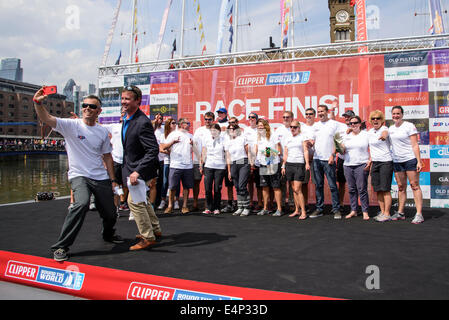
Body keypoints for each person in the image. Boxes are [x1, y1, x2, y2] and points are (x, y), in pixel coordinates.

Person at [33, 88, 124, 262]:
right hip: (79, 175)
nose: (87, 108)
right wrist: (38, 103)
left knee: (111, 213)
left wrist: (113, 180)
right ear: (81, 108)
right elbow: (46, 118)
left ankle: (108, 233)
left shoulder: (102, 131)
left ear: (99, 111)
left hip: (100, 176)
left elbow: (107, 156)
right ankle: (61, 246)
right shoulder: (71, 125)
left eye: (92, 106)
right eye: (85, 105)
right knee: (81, 204)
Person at [121, 85, 162, 251]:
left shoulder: (142, 122)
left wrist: (138, 171)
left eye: (127, 99)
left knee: (134, 202)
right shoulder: (128, 118)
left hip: (141, 170)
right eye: (122, 98)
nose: (124, 102)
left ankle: (147, 236)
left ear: (138, 101)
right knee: (142, 201)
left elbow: (153, 150)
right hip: (133, 167)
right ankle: (156, 229)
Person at [388, 106, 424, 224]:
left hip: (409, 159)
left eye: (398, 113)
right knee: (401, 187)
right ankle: (401, 212)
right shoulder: (391, 128)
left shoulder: (409, 126)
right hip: (397, 161)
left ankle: (419, 214)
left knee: (414, 185)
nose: (396, 116)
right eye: (394, 114)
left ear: (402, 114)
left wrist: (419, 161)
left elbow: (414, 145)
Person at [310, 104, 342, 219]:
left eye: (322, 111)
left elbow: (338, 141)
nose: (320, 113)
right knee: (318, 185)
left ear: (327, 111)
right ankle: (319, 208)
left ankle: (336, 209)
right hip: (317, 160)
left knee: (333, 186)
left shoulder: (334, 124)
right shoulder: (315, 125)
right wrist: (309, 143)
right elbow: (312, 140)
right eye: (318, 112)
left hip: (329, 160)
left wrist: (333, 155)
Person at [340, 116, 371, 220]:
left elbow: (373, 148)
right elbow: (342, 150)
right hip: (348, 164)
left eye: (355, 123)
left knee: (362, 189)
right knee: (351, 189)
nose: (353, 125)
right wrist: (340, 148)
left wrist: (370, 160)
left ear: (360, 123)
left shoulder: (366, 134)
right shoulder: (346, 135)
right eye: (351, 123)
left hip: (361, 164)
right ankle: (353, 210)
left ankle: (365, 211)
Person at [162, 118, 195, 214]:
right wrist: (173, 142)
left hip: (188, 165)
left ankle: (184, 206)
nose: (189, 125)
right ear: (181, 124)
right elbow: (163, 147)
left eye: (189, 123)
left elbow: (195, 150)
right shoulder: (173, 134)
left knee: (186, 187)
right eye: (187, 123)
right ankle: (170, 205)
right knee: (172, 187)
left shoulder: (190, 136)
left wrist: (193, 144)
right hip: (175, 164)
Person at [367, 110, 394, 222]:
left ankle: (387, 213)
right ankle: (382, 212)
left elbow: (385, 134)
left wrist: (383, 136)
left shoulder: (384, 129)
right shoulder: (369, 131)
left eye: (378, 118)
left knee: (385, 189)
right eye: (373, 118)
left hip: (385, 162)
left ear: (382, 120)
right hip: (375, 163)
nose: (375, 120)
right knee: (378, 189)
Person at [281, 120, 310, 220]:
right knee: (293, 189)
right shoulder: (287, 138)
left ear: (299, 128)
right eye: (291, 127)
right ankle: (297, 210)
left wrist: (307, 163)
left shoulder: (303, 137)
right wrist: (283, 165)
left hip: (299, 164)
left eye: (294, 127)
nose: (292, 129)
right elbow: (285, 153)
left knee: (298, 189)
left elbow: (306, 150)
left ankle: (303, 211)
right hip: (289, 164)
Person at [103, 109, 129, 216]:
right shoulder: (114, 126)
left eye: (126, 114)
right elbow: (98, 125)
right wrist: (80, 120)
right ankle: (115, 208)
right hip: (117, 160)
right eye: (122, 114)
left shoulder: (134, 127)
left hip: (129, 161)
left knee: (129, 185)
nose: (123, 115)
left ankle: (125, 202)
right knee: (116, 184)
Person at [255, 119, 283, 216]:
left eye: (262, 125)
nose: (260, 127)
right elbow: (259, 150)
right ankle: (265, 208)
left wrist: (268, 157)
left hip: (273, 164)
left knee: (276, 186)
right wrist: (258, 161)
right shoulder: (259, 137)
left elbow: (278, 150)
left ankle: (279, 209)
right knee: (264, 186)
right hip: (263, 164)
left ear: (266, 126)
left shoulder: (273, 135)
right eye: (258, 126)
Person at [200, 124, 227, 214]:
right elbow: (204, 152)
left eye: (215, 130)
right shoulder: (206, 139)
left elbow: (227, 153)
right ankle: (208, 207)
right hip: (208, 166)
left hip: (220, 166)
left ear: (219, 131)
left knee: (217, 189)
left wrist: (227, 166)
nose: (213, 132)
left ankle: (216, 208)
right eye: (212, 130)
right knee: (207, 188)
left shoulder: (223, 140)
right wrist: (201, 165)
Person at [225, 123, 251, 216]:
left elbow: (248, 151)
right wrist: (229, 171)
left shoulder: (243, 138)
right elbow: (228, 157)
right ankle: (240, 207)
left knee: (242, 186)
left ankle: (247, 208)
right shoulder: (228, 142)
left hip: (243, 162)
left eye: (233, 129)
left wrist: (250, 164)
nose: (231, 131)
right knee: (237, 187)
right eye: (230, 129)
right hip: (233, 164)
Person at [192, 112, 215, 211]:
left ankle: (208, 205)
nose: (207, 121)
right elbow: (194, 145)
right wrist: (199, 158)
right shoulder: (199, 130)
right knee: (196, 181)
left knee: (209, 183)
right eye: (205, 119)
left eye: (209, 119)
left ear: (213, 120)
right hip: (198, 159)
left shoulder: (215, 131)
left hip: (210, 161)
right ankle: (195, 203)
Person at [273, 111, 294, 211]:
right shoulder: (278, 130)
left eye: (288, 117)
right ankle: (281, 203)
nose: (285, 119)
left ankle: (291, 203)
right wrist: (268, 160)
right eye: (284, 117)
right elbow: (273, 145)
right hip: (281, 160)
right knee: (282, 182)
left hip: (293, 159)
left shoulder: (295, 128)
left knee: (292, 183)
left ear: (292, 118)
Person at [244, 112, 263, 211]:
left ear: (256, 119)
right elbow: (245, 146)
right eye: (249, 117)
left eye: (253, 117)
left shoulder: (260, 130)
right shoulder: (246, 130)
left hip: (259, 160)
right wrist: (249, 159)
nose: (251, 119)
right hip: (249, 159)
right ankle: (251, 201)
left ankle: (260, 202)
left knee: (259, 183)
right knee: (249, 182)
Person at [157, 118, 177, 210]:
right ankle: (163, 200)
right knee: (165, 182)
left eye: (175, 123)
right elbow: (161, 149)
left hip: (176, 161)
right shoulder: (163, 135)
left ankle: (175, 201)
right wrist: (168, 152)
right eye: (173, 123)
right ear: (168, 125)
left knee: (175, 183)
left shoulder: (178, 134)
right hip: (167, 161)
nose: (174, 124)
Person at [301, 108, 317, 210]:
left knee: (317, 183)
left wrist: (313, 142)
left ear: (314, 115)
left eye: (310, 114)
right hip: (304, 159)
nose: (308, 116)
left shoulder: (318, 126)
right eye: (306, 114)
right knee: (303, 183)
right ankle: (305, 204)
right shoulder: (301, 127)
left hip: (316, 158)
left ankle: (318, 205)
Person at [152, 113, 165, 208]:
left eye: (161, 118)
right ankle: (151, 201)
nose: (159, 120)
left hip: (162, 159)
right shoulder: (150, 129)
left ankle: (159, 200)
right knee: (152, 181)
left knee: (161, 181)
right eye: (157, 118)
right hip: (152, 159)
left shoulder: (164, 130)